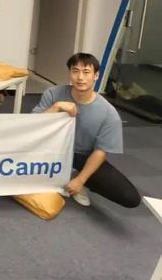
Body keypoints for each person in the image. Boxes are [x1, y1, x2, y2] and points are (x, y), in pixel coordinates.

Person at [33, 53, 141, 208]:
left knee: (130, 197)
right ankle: (58, 176)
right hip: (50, 149)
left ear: (96, 76)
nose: (80, 77)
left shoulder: (109, 114)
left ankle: (74, 175)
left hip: (82, 156)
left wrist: (81, 180)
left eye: (86, 72)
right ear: (70, 73)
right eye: (75, 71)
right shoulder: (53, 94)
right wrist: (56, 107)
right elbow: (34, 127)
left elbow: (100, 152)